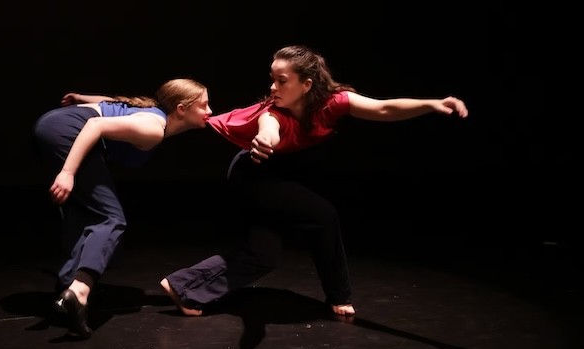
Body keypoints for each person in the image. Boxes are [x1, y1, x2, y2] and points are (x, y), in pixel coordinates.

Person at [159, 44, 469, 318]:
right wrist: (264, 139)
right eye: (272, 78)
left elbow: (384, 108)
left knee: (262, 256)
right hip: (253, 175)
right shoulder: (274, 113)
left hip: (273, 177)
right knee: (323, 215)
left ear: (307, 84)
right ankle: (339, 295)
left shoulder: (335, 102)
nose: (273, 86)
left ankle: (183, 286)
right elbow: (269, 128)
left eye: (282, 81)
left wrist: (431, 103)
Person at [33, 78, 212, 338]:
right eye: (204, 105)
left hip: (53, 125)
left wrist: (82, 97)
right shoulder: (153, 127)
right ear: (182, 109)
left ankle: (67, 290)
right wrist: (68, 173)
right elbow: (96, 124)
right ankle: (79, 291)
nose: (210, 111)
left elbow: (115, 103)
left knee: (83, 214)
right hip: (65, 131)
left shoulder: (151, 110)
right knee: (111, 218)